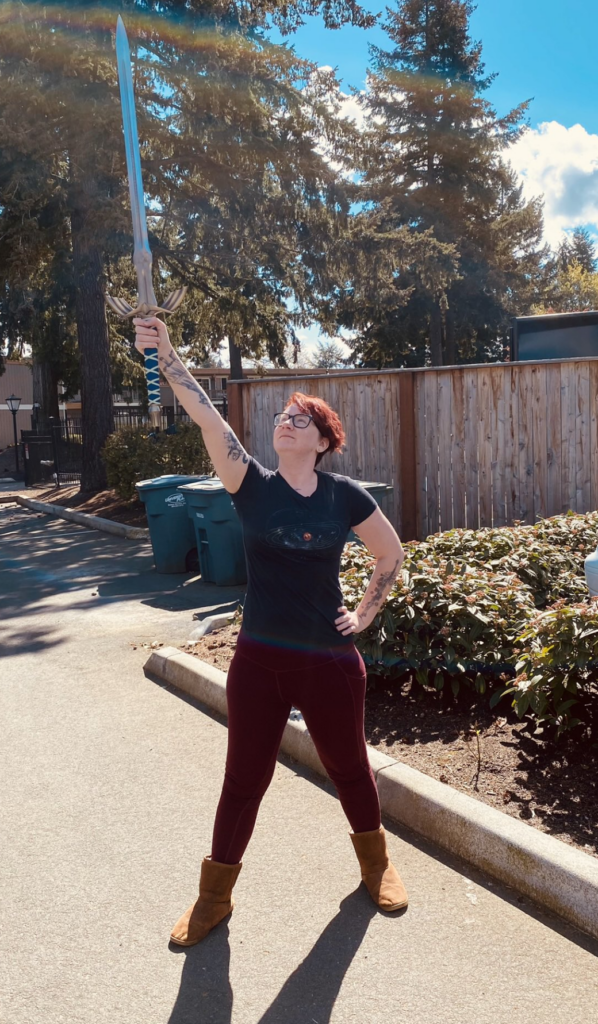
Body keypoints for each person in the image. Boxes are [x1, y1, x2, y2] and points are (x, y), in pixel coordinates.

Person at [134, 317, 409, 947]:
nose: (287, 422)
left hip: (329, 661)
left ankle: (377, 864)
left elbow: (389, 555)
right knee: (244, 777)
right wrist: (170, 355)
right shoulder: (250, 485)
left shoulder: (344, 496)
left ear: (322, 441)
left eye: (301, 420)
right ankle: (213, 899)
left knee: (348, 767)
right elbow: (210, 420)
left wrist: (363, 615)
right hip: (258, 658)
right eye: (284, 416)